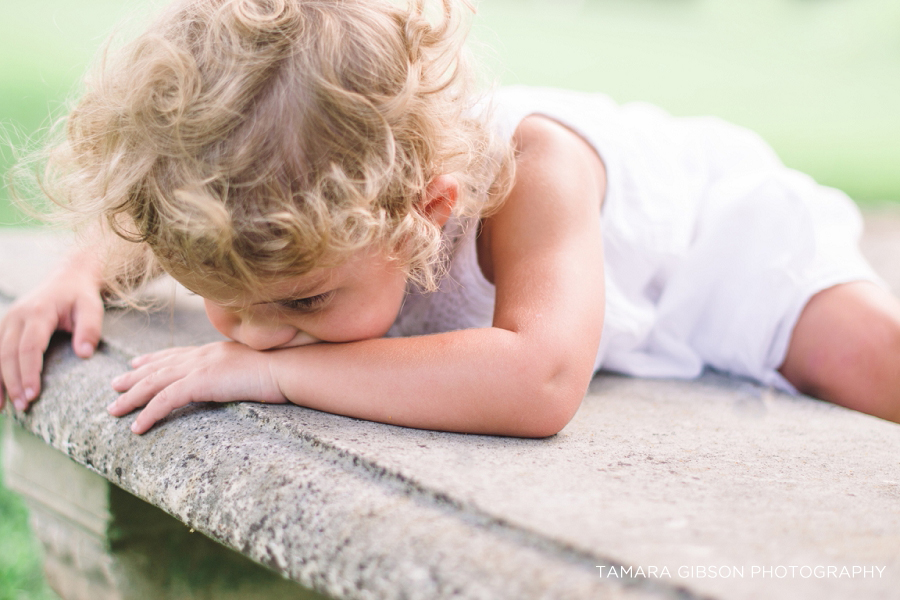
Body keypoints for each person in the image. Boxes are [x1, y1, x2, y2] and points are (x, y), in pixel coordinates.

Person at [1, 0, 899, 436]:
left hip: (715, 252)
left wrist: (265, 377)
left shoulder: (533, 171)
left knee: (867, 365)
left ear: (427, 212)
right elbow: (170, 224)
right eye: (231, 304)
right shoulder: (303, 222)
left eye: (304, 303)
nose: (264, 337)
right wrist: (78, 272)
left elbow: (539, 381)